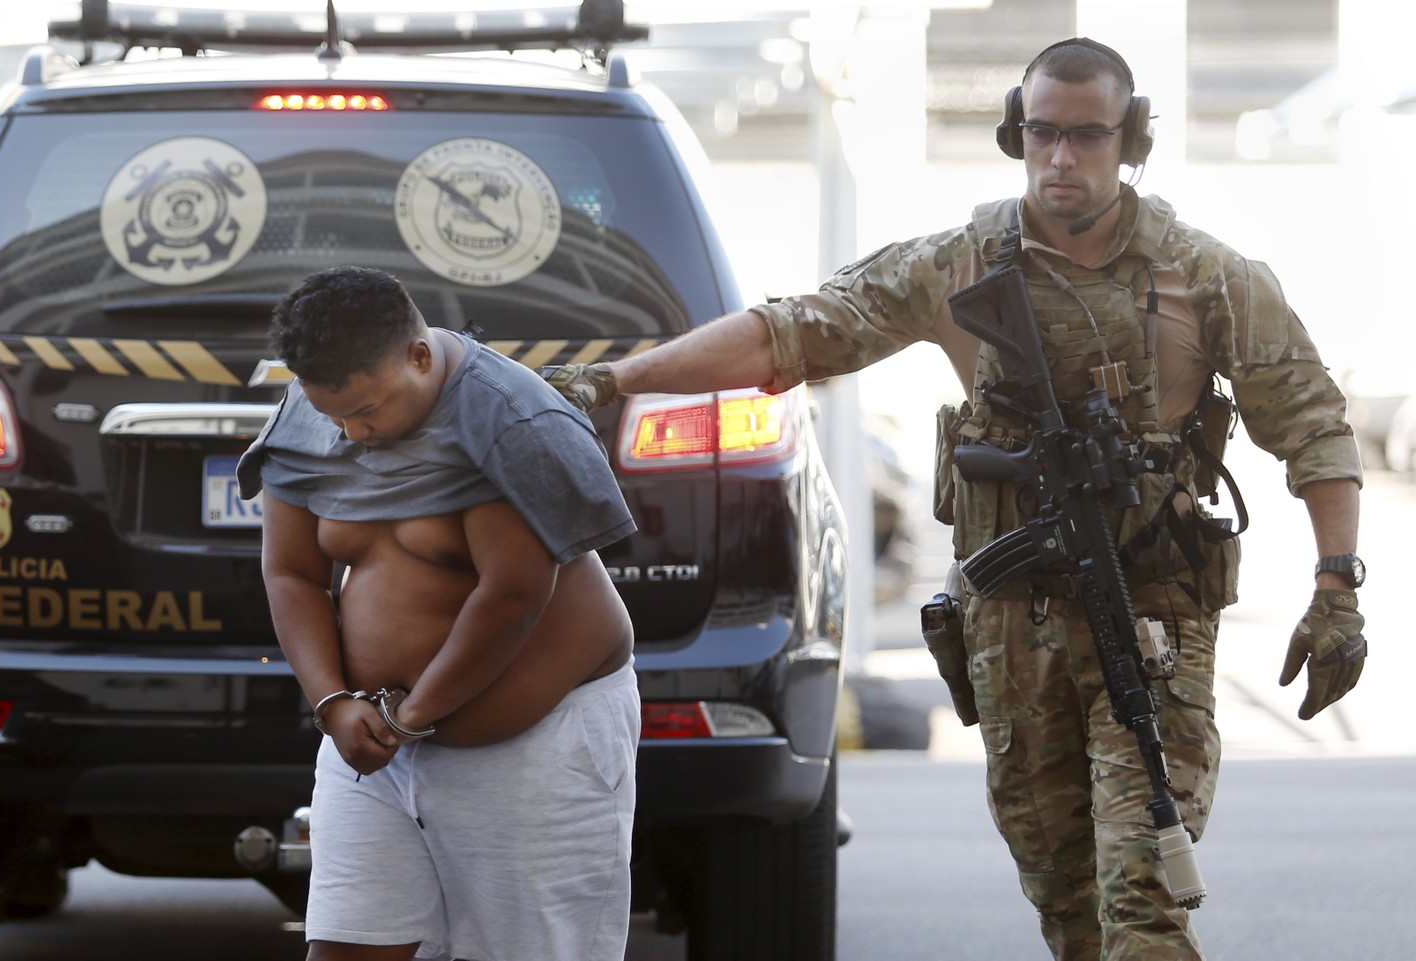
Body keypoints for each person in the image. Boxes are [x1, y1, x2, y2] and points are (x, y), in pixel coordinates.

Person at [542, 37, 1367, 961]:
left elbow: (1312, 425)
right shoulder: (962, 264)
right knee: (1065, 902)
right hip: (1011, 630)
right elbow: (793, 334)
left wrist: (1338, 585)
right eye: (1044, 133)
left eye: (1087, 137)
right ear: (1018, 132)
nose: (1061, 158)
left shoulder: (1208, 277)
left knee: (1141, 899)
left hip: (1152, 621)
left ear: (1131, 140)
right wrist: (614, 383)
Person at [237, 265, 640, 961]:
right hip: (376, 747)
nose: (352, 433)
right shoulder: (315, 413)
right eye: (334, 414)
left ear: (419, 356)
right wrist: (332, 702)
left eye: (367, 410)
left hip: (539, 746)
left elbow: (513, 594)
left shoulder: (507, 420)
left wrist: (413, 713)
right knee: (344, 949)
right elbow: (292, 570)